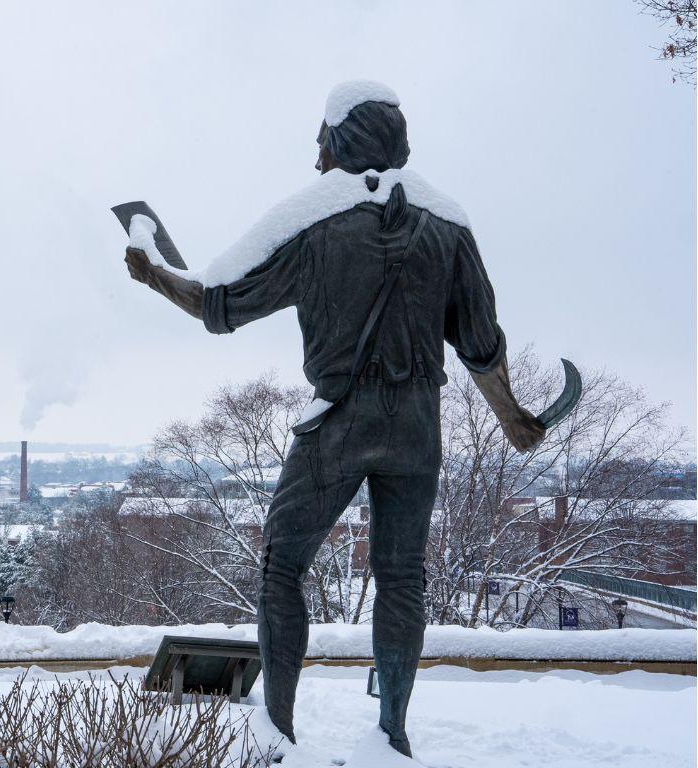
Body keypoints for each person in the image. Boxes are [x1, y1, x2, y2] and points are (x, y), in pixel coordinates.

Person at [123, 80, 544, 758]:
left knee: (281, 567)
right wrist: (513, 418)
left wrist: (153, 273)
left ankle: (278, 729)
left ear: (342, 143)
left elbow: (219, 307)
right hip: (417, 428)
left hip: (339, 423)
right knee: (402, 577)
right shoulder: (448, 226)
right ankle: (394, 733)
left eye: (322, 139)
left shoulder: (314, 222)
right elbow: (480, 343)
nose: (315, 152)